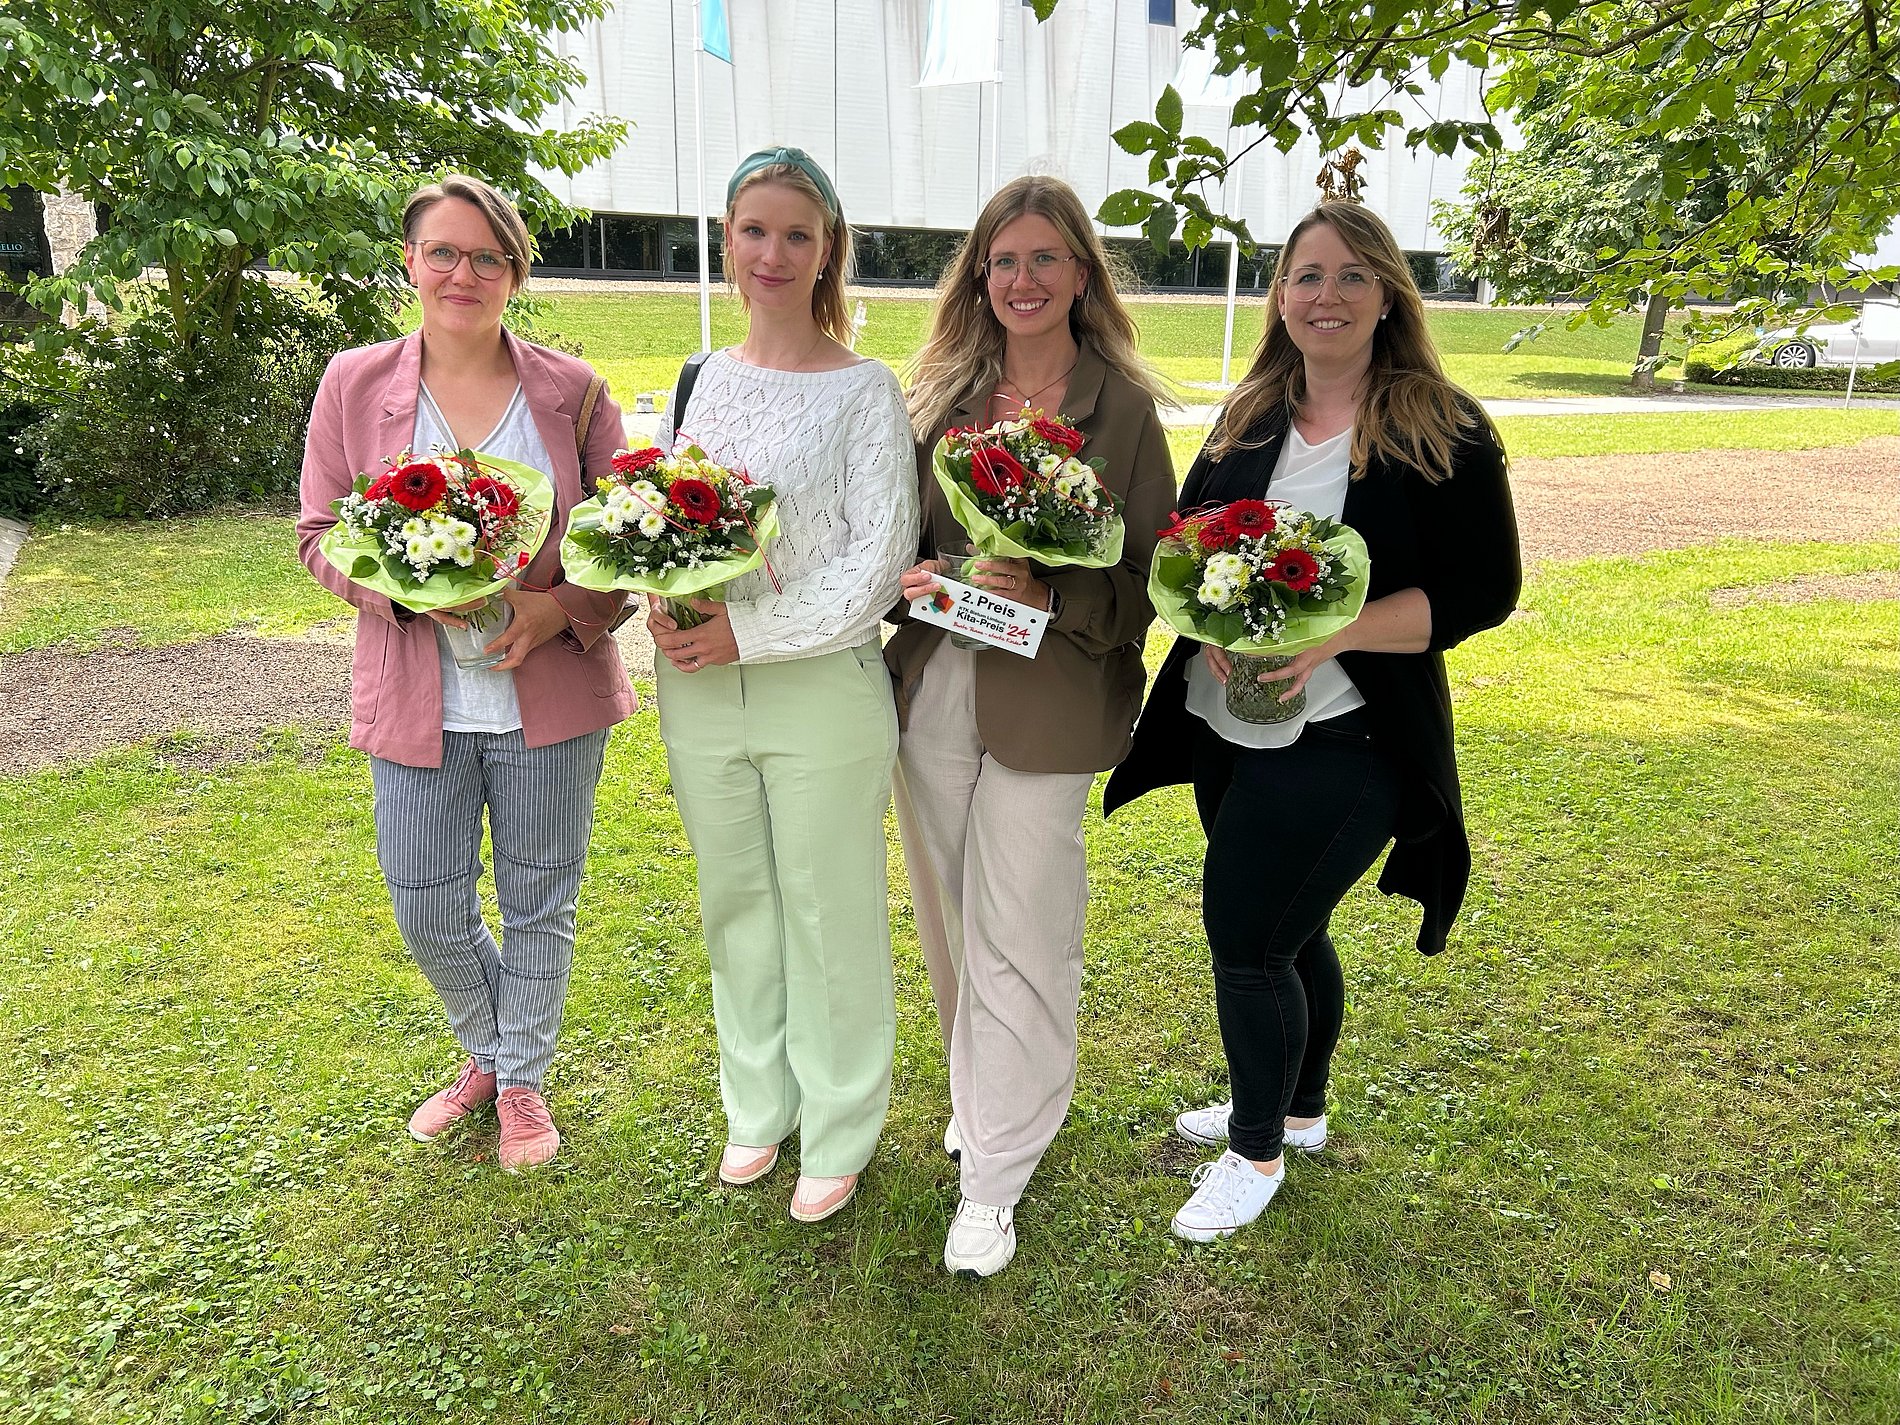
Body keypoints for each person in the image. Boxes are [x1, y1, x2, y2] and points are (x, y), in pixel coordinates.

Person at [1103, 200, 1522, 1241]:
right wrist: (1204, 623)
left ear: (1387, 296)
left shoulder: (1442, 428)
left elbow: (1484, 591)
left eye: (1349, 276)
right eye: (1305, 276)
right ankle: (1299, 1109)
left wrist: (1335, 633)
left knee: (1247, 942)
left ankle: (1255, 1151)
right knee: (1291, 929)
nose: (1325, 296)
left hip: (1351, 738)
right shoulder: (1250, 415)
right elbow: (1188, 547)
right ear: (1280, 297)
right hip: (1228, 723)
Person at [297, 174, 636, 1170]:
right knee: (427, 904)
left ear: (515, 273)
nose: (464, 274)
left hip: (550, 697)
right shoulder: (354, 383)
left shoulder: (573, 391)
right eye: (444, 251)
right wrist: (403, 594)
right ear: (410, 261)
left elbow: (624, 537)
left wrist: (559, 608)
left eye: (489, 256)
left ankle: (518, 1079)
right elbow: (318, 533)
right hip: (418, 699)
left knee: (539, 900)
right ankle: (491, 1049)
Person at [887, 175, 1175, 1276]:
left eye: (1045, 257)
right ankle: (984, 1097)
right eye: (1003, 260)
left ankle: (996, 1175)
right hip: (935, 689)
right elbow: (900, 544)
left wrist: (1053, 593)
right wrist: (925, 576)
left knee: (1026, 930)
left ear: (1082, 274)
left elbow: (1150, 585)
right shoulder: (941, 399)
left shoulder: (1123, 412)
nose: (1022, 278)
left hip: (1050, 704)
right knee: (955, 921)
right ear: (979, 275)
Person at [645, 147, 919, 1224]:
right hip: (698, 688)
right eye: (754, 230)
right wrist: (662, 598)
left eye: (797, 235)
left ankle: (841, 1122)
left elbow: (876, 564)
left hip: (820, 693)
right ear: (727, 239)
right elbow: (663, 514)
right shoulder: (700, 378)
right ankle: (758, 1104)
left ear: (826, 251)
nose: (773, 253)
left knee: (825, 905)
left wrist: (744, 634)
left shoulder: (864, 390)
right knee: (736, 903)